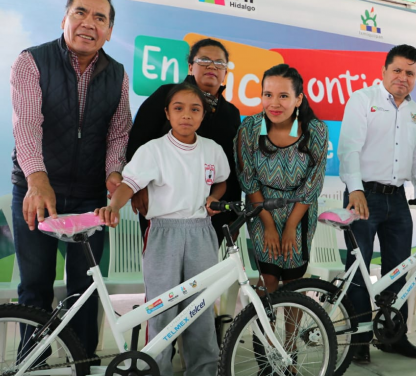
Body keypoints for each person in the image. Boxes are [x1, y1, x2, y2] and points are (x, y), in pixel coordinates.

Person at [10, 0, 131, 360]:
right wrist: (36, 177)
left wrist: (113, 172)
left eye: (100, 17)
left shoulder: (119, 73)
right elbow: (27, 124)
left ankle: (84, 364)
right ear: (65, 18)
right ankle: (32, 364)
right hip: (35, 192)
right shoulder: (30, 61)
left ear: (109, 31)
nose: (88, 23)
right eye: (80, 12)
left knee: (86, 288)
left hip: (90, 198)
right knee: (34, 288)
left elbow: (118, 132)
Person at [96, 82, 229, 376]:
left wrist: (215, 197)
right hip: (164, 233)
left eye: (195, 109)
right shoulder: (153, 150)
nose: (186, 115)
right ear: (167, 114)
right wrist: (114, 206)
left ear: (203, 115)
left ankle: (203, 369)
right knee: (161, 307)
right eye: (178, 108)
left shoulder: (213, 150)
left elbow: (221, 180)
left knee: (201, 306)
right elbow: (129, 183)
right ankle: (157, 368)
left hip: (201, 232)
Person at [338, 44, 416, 364]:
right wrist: (355, 189)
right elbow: (349, 150)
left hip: (398, 200)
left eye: (410, 73)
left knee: (398, 271)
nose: (403, 77)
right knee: (357, 273)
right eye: (397, 70)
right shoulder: (362, 100)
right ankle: (358, 341)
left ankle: (392, 336)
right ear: (384, 72)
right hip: (363, 197)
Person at [127, 38, 241, 247]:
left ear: (226, 72)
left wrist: (233, 216)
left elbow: (231, 168)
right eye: (204, 60)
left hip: (212, 210)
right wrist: (138, 189)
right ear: (190, 66)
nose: (211, 67)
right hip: (164, 210)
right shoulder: (166, 95)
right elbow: (138, 142)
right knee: (166, 276)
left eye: (219, 63)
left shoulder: (231, 113)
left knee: (203, 276)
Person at [235, 64, 328, 292]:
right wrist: (268, 225)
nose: (274, 103)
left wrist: (290, 226)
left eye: (283, 96)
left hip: (300, 210)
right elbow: (248, 181)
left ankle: (292, 329)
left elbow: (312, 184)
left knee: (293, 283)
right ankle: (264, 328)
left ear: (298, 99)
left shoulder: (315, 130)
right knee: (268, 279)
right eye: (268, 95)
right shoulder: (250, 128)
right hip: (261, 208)